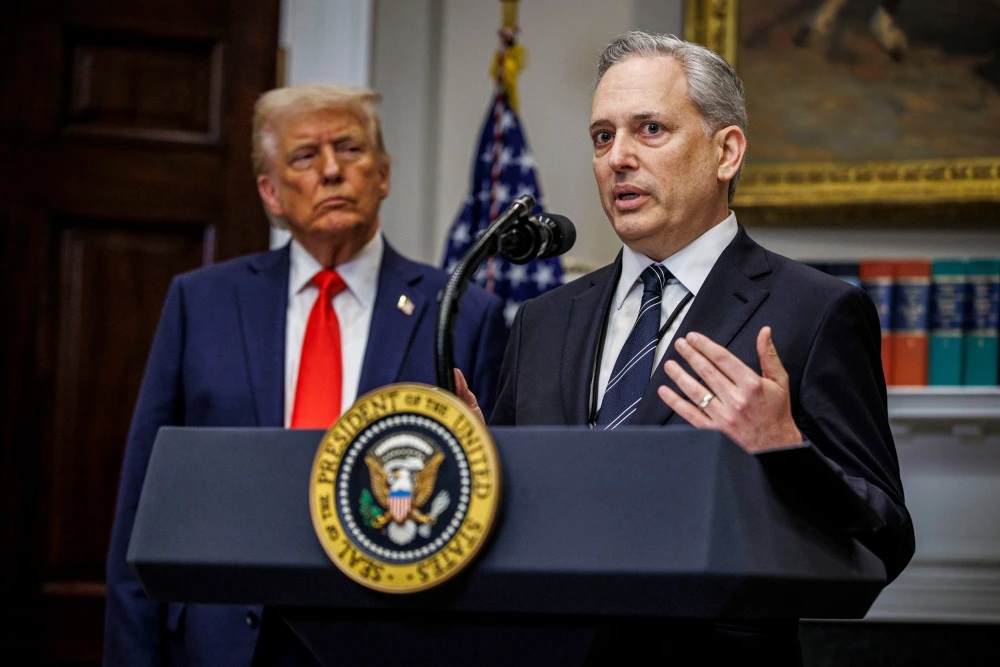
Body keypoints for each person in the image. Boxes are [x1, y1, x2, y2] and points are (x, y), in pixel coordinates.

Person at [457, 30, 914, 665]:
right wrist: (480, 465)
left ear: (726, 152)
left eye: (649, 130)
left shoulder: (813, 311)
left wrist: (785, 450)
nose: (618, 157)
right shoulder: (543, 320)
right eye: (602, 136)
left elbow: (885, 538)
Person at [104, 83, 508, 666]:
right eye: (304, 156)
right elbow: (144, 505)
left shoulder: (463, 313)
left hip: (392, 638)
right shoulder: (202, 303)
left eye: (349, 149)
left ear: (384, 175)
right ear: (270, 192)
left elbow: (485, 511)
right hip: (221, 642)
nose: (331, 171)